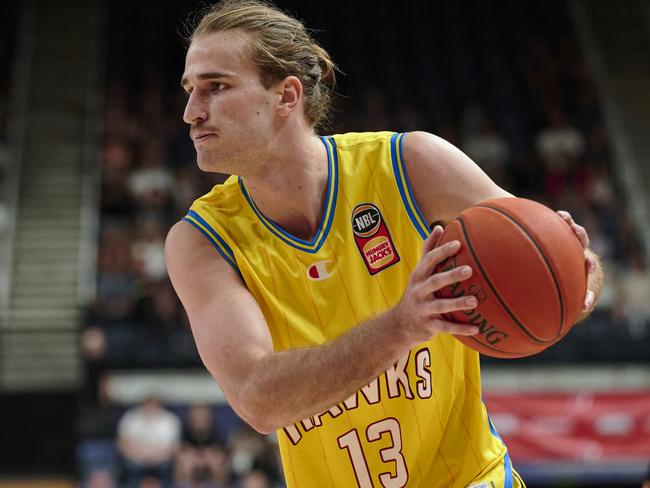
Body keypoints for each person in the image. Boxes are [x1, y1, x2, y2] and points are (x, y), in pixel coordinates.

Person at [165, 1, 603, 486]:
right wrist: (404, 325)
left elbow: (555, 263)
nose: (190, 112)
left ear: (286, 95)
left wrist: (577, 270)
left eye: (215, 87)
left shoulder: (411, 166)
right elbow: (258, 399)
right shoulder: (201, 241)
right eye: (189, 90)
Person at [116, 396, 181, 488]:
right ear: (142, 406)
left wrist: (155, 457)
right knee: (130, 467)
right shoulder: (130, 417)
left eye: (153, 406)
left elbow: (174, 448)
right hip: (135, 458)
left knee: (166, 467)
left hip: (162, 459)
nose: (150, 409)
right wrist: (140, 457)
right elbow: (122, 444)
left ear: (159, 406)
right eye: (148, 406)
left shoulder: (170, 420)